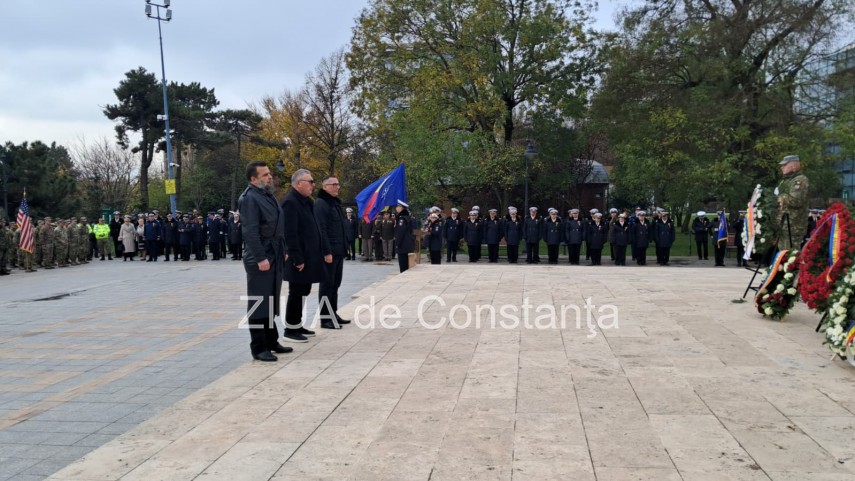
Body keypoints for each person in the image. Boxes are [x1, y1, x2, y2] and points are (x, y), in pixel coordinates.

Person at [239, 161, 293, 361]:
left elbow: (278, 227)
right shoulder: (249, 198)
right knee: (259, 302)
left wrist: (283, 249)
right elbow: (250, 232)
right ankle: (259, 347)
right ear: (254, 179)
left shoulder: (266, 195)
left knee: (270, 300)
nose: (270, 177)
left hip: (274, 253)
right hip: (260, 256)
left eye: (269, 173)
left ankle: (271, 341)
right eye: (265, 175)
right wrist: (261, 257)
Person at [282, 168, 325, 342]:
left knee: (303, 291)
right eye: (310, 182)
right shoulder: (291, 202)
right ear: (299, 183)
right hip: (299, 258)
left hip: (309, 256)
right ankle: (290, 330)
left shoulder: (306, 202)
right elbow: (290, 234)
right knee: (296, 292)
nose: (313, 185)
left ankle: (297, 325)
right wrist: (297, 259)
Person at [314, 175, 352, 330]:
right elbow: (321, 230)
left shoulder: (334, 203)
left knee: (335, 284)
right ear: (325, 187)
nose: (337, 187)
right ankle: (325, 318)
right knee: (327, 285)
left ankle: (333, 313)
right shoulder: (321, 203)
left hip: (338, 251)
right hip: (329, 253)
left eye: (338, 184)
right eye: (333, 184)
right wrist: (326, 251)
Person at [776, 155, 809, 249]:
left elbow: (796, 201)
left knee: (790, 254)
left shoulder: (799, 180)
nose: (782, 167)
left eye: (785, 165)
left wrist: (779, 197)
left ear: (794, 165)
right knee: (783, 254)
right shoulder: (786, 181)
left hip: (793, 226)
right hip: (784, 225)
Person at [394, 200, 415, 273]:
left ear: (401, 208)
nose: (396, 208)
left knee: (403, 267)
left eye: (397, 206)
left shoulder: (402, 219)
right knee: (406, 266)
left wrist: (397, 243)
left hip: (403, 245)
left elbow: (400, 233)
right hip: (407, 244)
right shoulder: (406, 217)